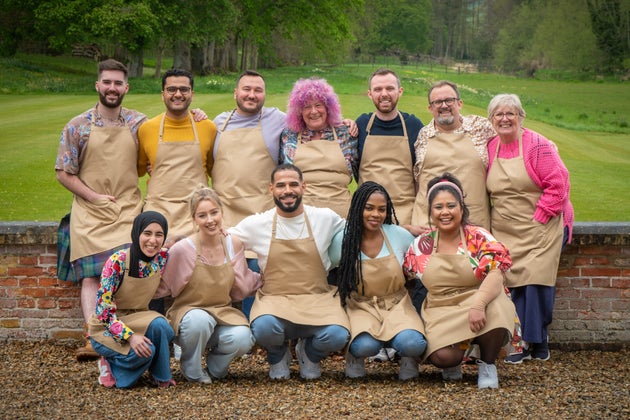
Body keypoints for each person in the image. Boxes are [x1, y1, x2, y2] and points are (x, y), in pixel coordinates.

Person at [55, 59, 146, 361]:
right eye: (107, 82)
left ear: (126, 87)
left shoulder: (139, 124)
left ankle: (131, 332)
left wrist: (196, 115)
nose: (112, 88)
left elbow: (169, 136)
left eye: (118, 83)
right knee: (92, 278)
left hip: (128, 209)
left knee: (130, 272)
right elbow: (63, 172)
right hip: (90, 212)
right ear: (97, 85)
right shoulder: (77, 126)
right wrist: (93, 197)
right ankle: (94, 336)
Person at [228, 164, 350, 380]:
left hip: (317, 299)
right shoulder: (258, 223)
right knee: (263, 328)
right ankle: (277, 355)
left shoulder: (325, 218)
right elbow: (225, 240)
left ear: (304, 187)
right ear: (271, 189)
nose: (287, 190)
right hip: (275, 300)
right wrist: (246, 278)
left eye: (293, 184)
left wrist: (401, 231)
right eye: (281, 185)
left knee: (338, 335)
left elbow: (357, 231)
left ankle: (309, 354)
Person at [404, 173, 515, 389]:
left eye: (450, 205)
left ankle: (487, 364)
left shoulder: (478, 237)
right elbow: (403, 279)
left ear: (461, 209)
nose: (445, 212)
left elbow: (497, 272)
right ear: (430, 212)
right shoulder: (420, 246)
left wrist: (479, 304)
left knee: (499, 305)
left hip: (477, 300)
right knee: (442, 357)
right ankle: (456, 355)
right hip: (440, 308)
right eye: (438, 207)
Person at [485, 94, 573, 364]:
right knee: (512, 285)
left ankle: (539, 339)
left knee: (536, 283)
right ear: (491, 120)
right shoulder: (490, 146)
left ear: (521, 116)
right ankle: (521, 342)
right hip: (505, 227)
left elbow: (559, 183)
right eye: (498, 114)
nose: (505, 119)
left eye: (510, 113)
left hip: (541, 224)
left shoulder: (537, 145)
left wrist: (542, 214)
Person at [156, 186, 262, 384]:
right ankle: (192, 368)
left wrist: (272, 276)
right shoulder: (183, 249)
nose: (210, 220)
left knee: (244, 337)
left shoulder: (233, 244)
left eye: (214, 212)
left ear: (222, 212)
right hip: (189, 317)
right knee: (199, 320)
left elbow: (244, 286)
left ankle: (215, 368)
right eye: (202, 215)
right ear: (194, 219)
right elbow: (162, 286)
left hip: (222, 314)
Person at [330, 181, 427, 380]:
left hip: (397, 304)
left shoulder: (398, 235)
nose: (376, 214)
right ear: (358, 208)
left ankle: (408, 357)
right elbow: (327, 269)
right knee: (365, 346)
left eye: (382, 209)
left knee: (413, 343)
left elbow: (422, 262)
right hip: (360, 305)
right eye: (369, 208)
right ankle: (354, 356)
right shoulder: (343, 239)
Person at [88, 211, 176, 388]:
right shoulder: (117, 262)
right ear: (136, 233)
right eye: (147, 233)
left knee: (163, 326)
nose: (153, 240)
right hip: (106, 326)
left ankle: (160, 376)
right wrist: (130, 337)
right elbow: (103, 312)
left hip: (138, 317)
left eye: (159, 235)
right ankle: (110, 364)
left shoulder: (161, 259)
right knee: (146, 351)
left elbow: (187, 244)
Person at [137, 68, 217, 242]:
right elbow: (140, 169)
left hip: (196, 214)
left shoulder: (208, 127)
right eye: (172, 89)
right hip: (158, 213)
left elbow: (212, 170)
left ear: (192, 94)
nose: (178, 94)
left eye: (184, 90)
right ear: (163, 94)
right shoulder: (147, 129)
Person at [411, 80, 495, 230]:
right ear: (430, 108)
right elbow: (416, 179)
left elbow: (511, 135)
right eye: (437, 102)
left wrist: (546, 146)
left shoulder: (481, 128)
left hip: (474, 224)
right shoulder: (422, 136)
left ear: (460, 103)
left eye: (449, 100)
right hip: (429, 225)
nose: (444, 105)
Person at [279, 77, 358, 218]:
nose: (313, 111)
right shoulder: (289, 136)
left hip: (342, 216)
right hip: (302, 216)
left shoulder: (345, 133)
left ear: (328, 108)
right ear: (299, 112)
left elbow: (360, 172)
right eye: (307, 107)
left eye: (318, 105)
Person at [355, 68, 424, 226]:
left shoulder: (414, 125)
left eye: (390, 88)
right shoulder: (361, 124)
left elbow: (421, 173)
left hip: (404, 213)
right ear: (370, 94)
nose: (384, 94)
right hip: (367, 213)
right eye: (378, 89)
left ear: (400, 91)